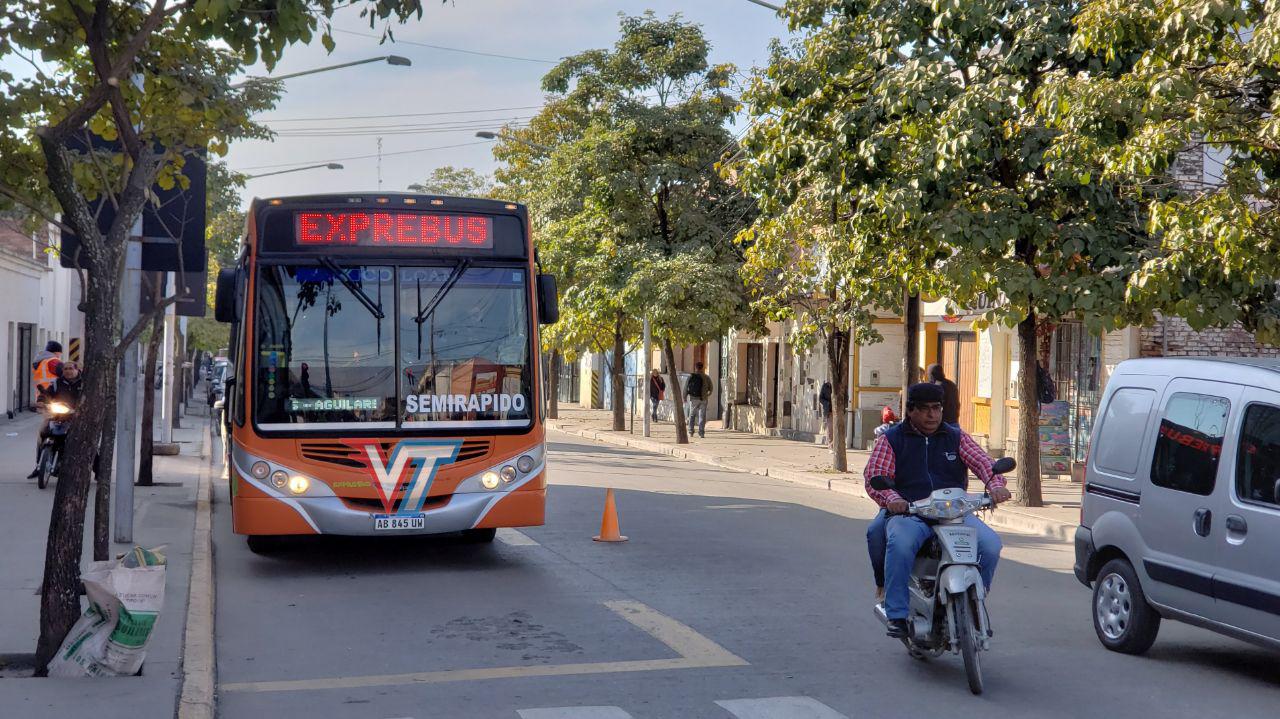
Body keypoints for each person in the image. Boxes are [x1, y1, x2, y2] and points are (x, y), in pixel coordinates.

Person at [864, 382, 1011, 638]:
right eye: (925, 409)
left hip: (954, 514)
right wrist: (893, 499)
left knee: (990, 545)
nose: (932, 415)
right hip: (911, 513)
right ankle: (896, 613)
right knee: (899, 543)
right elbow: (875, 475)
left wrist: (996, 486)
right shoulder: (891, 439)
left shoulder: (955, 435)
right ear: (910, 411)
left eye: (937, 408)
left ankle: (974, 599)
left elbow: (984, 463)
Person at [28, 361, 83, 478]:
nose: (67, 371)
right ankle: (39, 466)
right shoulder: (57, 382)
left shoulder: (84, 383)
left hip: (78, 416)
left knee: (85, 440)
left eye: (70, 368)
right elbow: (47, 393)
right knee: (43, 432)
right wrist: (41, 401)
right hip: (58, 414)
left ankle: (98, 470)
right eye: (65, 369)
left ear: (77, 369)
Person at [684, 362, 713, 438]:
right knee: (702, 416)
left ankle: (690, 431)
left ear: (695, 367)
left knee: (692, 415)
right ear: (703, 368)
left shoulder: (691, 376)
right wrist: (707, 395)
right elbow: (711, 388)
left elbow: (686, 388)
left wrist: (684, 397)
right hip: (703, 399)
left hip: (693, 399)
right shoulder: (706, 377)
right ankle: (701, 433)